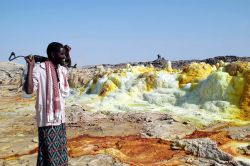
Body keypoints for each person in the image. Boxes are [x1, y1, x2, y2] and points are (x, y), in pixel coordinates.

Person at [24, 42, 71, 166]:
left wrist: (68, 53)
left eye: (64, 54)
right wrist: (30, 67)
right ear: (52, 54)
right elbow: (29, 90)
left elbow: (68, 64)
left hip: (60, 118)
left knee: (60, 152)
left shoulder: (61, 69)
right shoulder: (39, 70)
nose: (64, 56)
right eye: (61, 54)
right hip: (47, 119)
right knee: (49, 154)